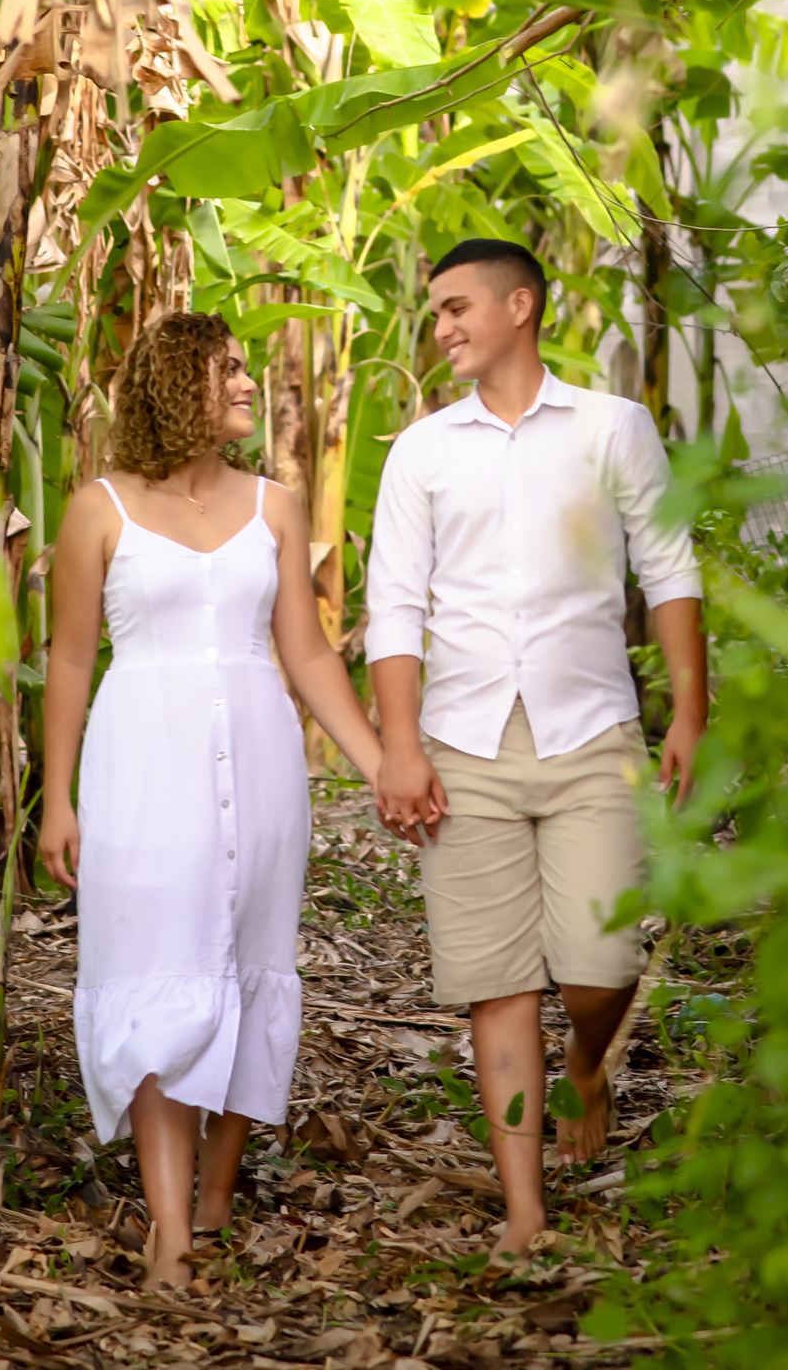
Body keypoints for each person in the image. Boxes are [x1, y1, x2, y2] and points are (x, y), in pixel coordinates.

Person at [366, 238, 706, 1259]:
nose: (442, 328)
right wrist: (398, 746)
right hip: (463, 742)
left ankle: (587, 1063)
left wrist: (690, 712)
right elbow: (395, 607)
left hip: (591, 728)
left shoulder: (613, 427)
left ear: (521, 306)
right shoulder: (421, 451)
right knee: (499, 984)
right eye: (436, 312)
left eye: (457, 307)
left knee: (602, 965)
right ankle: (525, 1213)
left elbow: (668, 566)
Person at [41, 313, 382, 1291]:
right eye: (225, 368)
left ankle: (217, 1198)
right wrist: (57, 797)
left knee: (248, 964)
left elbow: (306, 652)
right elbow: (70, 659)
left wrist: (378, 763)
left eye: (243, 366)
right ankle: (171, 1233)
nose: (245, 382)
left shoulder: (277, 505)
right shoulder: (98, 508)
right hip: (142, 761)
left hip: (261, 761)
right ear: (171, 383)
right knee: (158, 971)